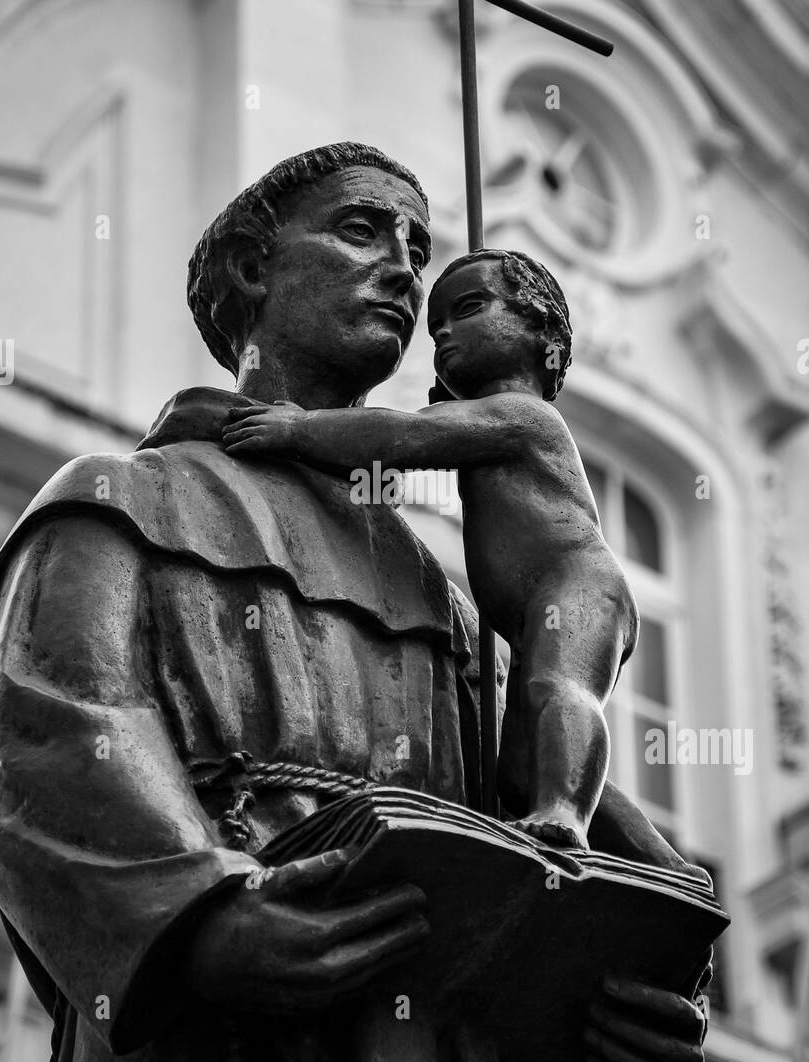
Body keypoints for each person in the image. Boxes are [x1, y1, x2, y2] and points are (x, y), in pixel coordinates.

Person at [0, 144, 708, 1062]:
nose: (406, 271)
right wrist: (200, 918)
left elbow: (526, 816)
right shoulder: (127, 498)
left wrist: (613, 1021)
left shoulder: (445, 601)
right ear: (250, 268)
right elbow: (44, 743)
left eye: (418, 245)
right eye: (362, 230)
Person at [223, 248, 638, 850]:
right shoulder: (483, 419)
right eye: (436, 324)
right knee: (520, 770)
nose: (442, 330)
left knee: (559, 693)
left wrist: (298, 429)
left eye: (468, 309)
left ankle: (565, 815)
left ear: (538, 326)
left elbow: (404, 438)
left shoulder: (526, 416)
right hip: (530, 613)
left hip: (578, 591)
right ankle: (664, 863)